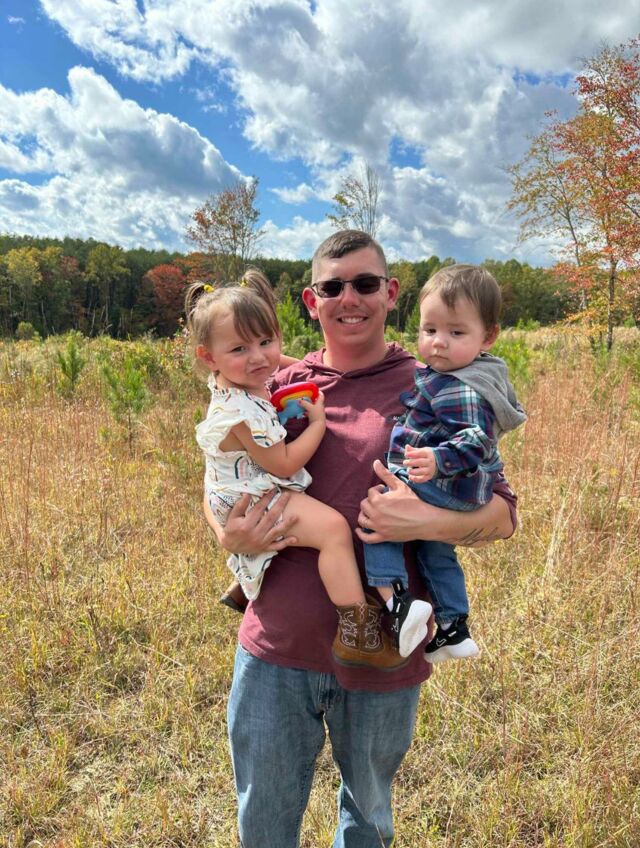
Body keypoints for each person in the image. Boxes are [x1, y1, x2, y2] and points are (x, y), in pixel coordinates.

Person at [203, 231, 518, 847]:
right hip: (276, 648)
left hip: (384, 654)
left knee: (368, 820)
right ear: (311, 300)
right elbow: (218, 471)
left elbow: (503, 513)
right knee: (263, 822)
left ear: (391, 292)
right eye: (333, 286)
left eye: (366, 283)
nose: (350, 298)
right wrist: (225, 531)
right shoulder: (274, 380)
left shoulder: (436, 383)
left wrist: (424, 524)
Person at [186, 269, 407, 671]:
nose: (259, 358)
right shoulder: (243, 413)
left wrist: (304, 367)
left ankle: (245, 583)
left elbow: (277, 363)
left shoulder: (233, 378)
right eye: (240, 348)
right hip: (253, 497)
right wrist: (319, 423)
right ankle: (358, 631)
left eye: (266, 341)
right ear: (208, 357)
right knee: (333, 531)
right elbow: (285, 462)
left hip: (238, 490)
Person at [363, 264, 526, 664]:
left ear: (488, 336)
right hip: (461, 489)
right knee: (435, 550)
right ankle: (454, 627)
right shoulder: (459, 374)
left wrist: (438, 459)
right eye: (430, 329)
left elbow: (477, 440)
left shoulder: (462, 386)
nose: (438, 342)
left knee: (379, 514)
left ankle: (397, 603)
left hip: (447, 483)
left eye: (456, 333)